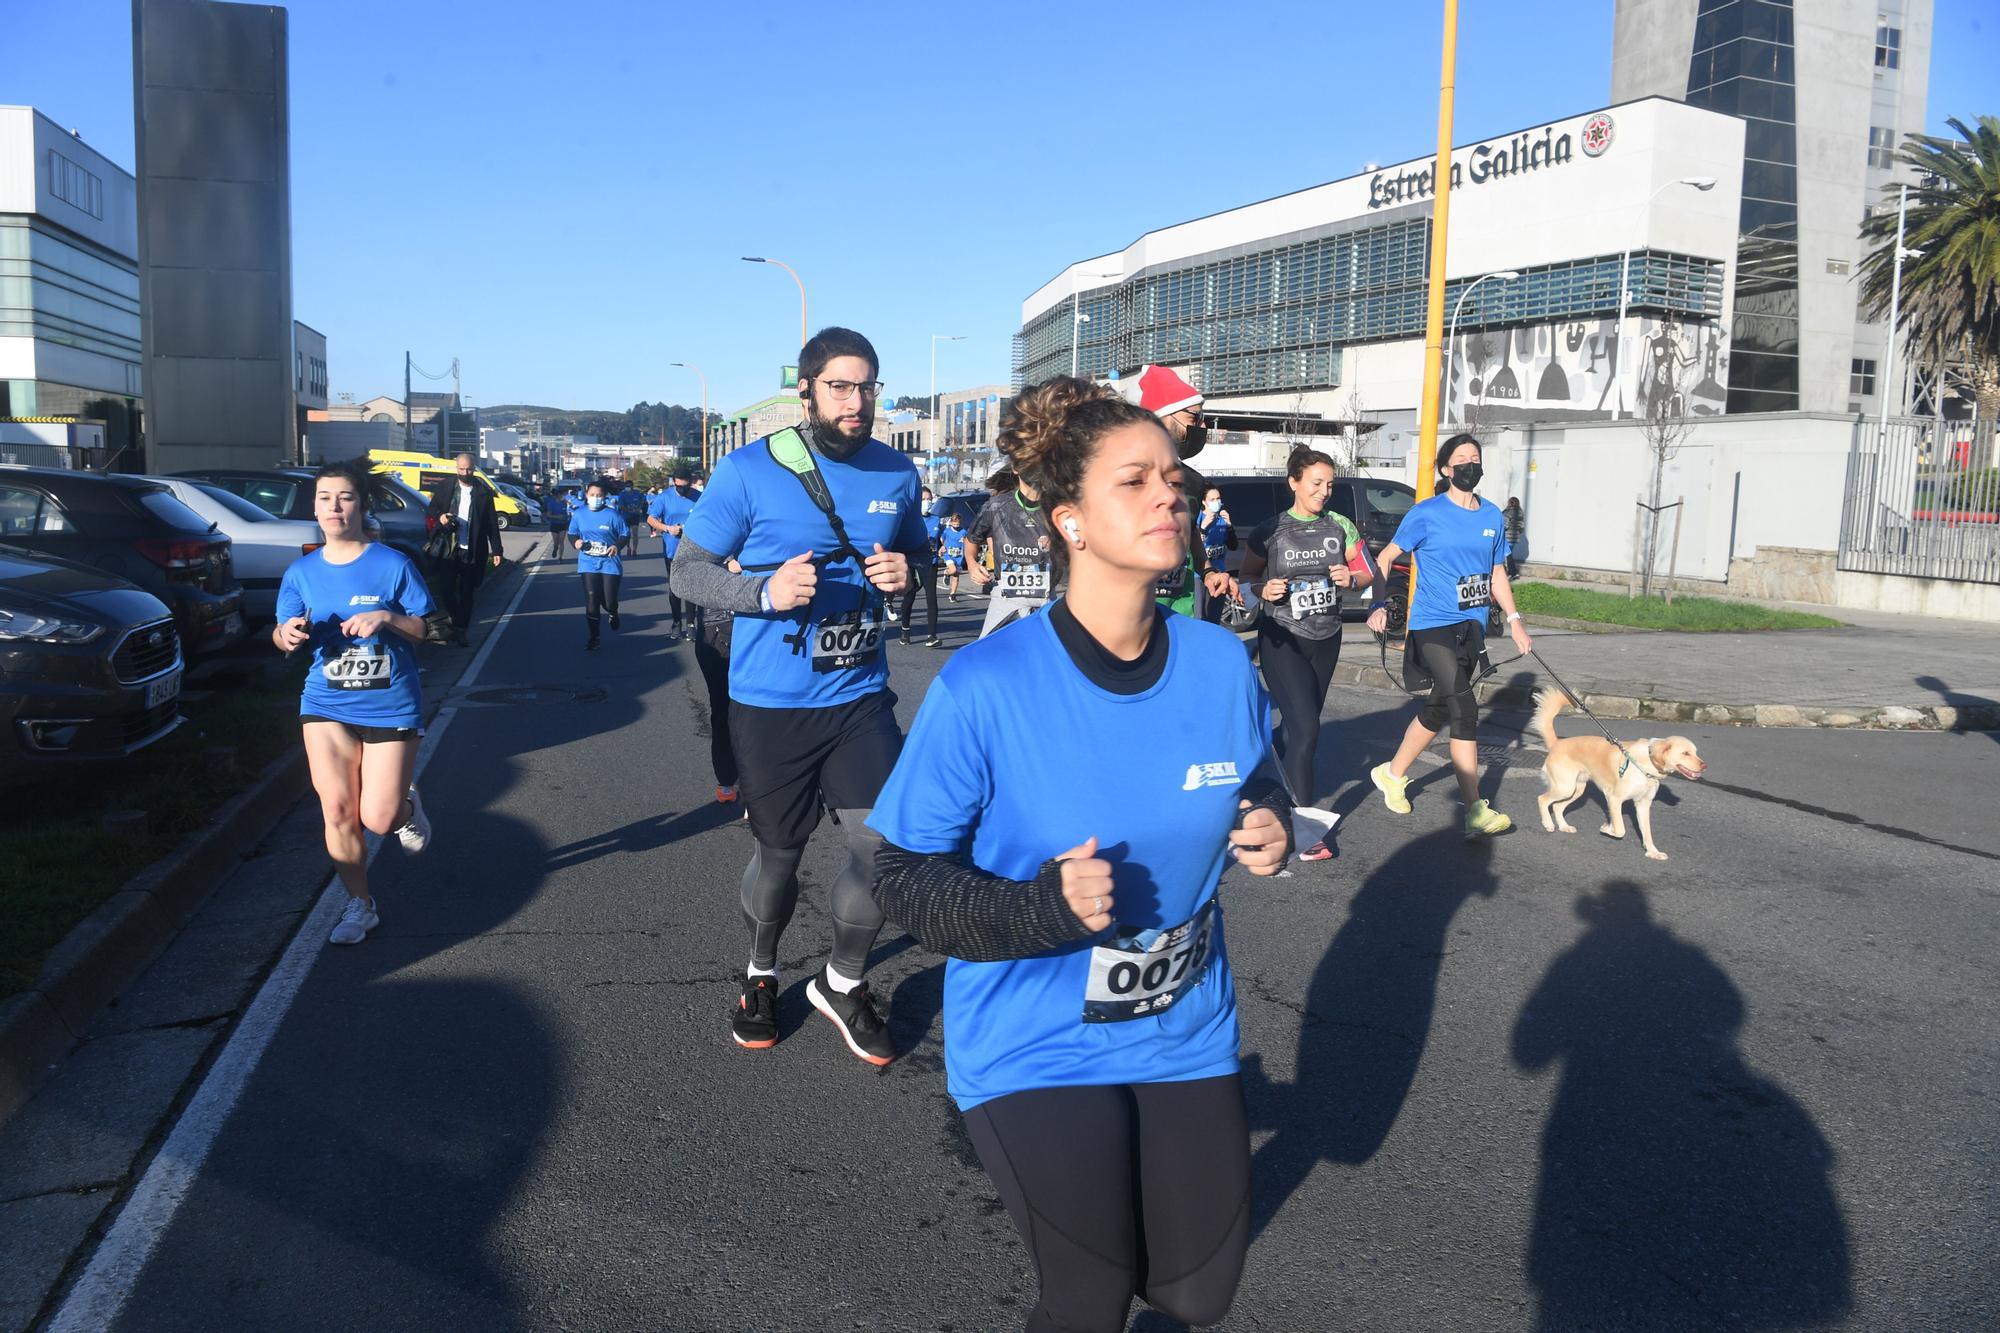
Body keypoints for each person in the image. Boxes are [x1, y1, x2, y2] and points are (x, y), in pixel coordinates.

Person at [870, 376, 1292, 1332]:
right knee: (1091, 1294)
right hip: (1037, 1038)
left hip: (1186, 1023)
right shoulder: (987, 685)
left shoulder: (1222, 662)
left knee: (1196, 1295)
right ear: (1070, 521)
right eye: (1134, 481)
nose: (1168, 496)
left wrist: (1267, 819)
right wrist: (1039, 910)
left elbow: (1247, 773)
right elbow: (898, 877)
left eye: (1173, 479)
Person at [670, 326, 926, 1065]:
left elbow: (915, 550)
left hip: (859, 698)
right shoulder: (751, 470)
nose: (857, 400)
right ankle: (761, 969)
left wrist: (907, 575)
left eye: (867, 385)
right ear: (807, 390)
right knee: (779, 855)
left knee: (886, 847)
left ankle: (843, 983)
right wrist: (761, 590)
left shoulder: (896, 473)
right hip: (770, 703)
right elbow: (688, 572)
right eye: (840, 386)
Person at [273, 460, 436, 946]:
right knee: (338, 811)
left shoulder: (392, 564)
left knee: (378, 819)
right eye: (324, 498)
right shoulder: (301, 571)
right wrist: (287, 635)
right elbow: (280, 635)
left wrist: (386, 617)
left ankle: (406, 808)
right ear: (315, 507)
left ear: (362, 505)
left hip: (389, 704)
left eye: (344, 497)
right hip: (325, 703)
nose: (334, 507)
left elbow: (423, 629)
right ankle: (360, 905)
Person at [1366, 432, 1533, 838]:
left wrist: (1514, 620)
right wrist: (1377, 605)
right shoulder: (1426, 513)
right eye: (1461, 459)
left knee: (1440, 708)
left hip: (1470, 628)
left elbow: (1496, 573)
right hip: (1431, 625)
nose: (1470, 464)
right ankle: (1475, 809)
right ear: (1446, 469)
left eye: (1475, 458)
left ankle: (1392, 773)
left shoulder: (1492, 516)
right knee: (1464, 707)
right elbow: (1386, 557)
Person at [1237, 447, 1376, 858]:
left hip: (1326, 635)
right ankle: (1305, 829)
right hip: (1282, 636)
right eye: (1316, 483)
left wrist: (1351, 578)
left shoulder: (1340, 526)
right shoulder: (1271, 529)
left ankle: (1258, 779)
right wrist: (1263, 589)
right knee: (1307, 730)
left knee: (1298, 728)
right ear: (1294, 482)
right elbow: (1245, 580)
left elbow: (1368, 572)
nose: (1324, 491)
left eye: (1330, 484)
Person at [1120, 364, 1238, 618]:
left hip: (1181, 608)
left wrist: (1208, 572)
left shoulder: (1193, 481)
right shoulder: (1123, 474)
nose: (1201, 426)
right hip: (1132, 608)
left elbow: (1189, 531)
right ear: (1161, 418)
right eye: (1193, 418)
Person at [963, 468, 1054, 638]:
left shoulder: (1058, 506)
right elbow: (971, 539)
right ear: (1016, 468)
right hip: (1006, 596)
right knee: (985, 656)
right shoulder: (996, 506)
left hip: (1047, 598)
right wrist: (972, 564)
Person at [425, 451, 504, 645]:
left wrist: (497, 550)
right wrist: (441, 516)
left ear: (474, 468)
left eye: (469, 469)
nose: (465, 472)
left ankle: (461, 629)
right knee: (446, 590)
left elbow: (491, 523)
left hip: (473, 549)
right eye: (461, 469)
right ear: (456, 468)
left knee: (468, 591)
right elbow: (432, 509)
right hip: (449, 549)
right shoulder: (445, 487)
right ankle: (455, 619)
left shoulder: (483, 492)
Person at [567, 479, 630, 649]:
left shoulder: (613, 515)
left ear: (604, 497)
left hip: (610, 562)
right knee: (592, 598)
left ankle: (613, 612)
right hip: (588, 562)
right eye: (592, 495)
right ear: (586, 495)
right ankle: (594, 637)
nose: (595, 498)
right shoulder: (579, 514)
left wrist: (617, 546)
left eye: (599, 495)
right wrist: (576, 543)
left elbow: (625, 534)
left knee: (609, 602)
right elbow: (572, 533)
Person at [647, 467, 699, 642]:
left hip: (693, 549)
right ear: (674, 483)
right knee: (675, 587)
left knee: (691, 587)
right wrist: (668, 528)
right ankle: (677, 622)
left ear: (690, 484)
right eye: (679, 487)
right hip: (672, 549)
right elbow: (651, 519)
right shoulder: (664, 497)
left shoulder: (698, 496)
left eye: (685, 487)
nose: (682, 491)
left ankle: (691, 623)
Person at [895, 484, 945, 648]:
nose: (927, 502)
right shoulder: (911, 519)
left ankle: (932, 635)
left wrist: (942, 546)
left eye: (929, 499)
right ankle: (905, 630)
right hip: (913, 562)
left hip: (930, 563)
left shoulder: (936, 519)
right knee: (909, 596)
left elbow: (940, 539)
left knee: (932, 598)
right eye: (923, 499)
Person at [1197, 485, 1236, 623]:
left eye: (1218, 498)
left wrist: (1230, 526)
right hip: (1200, 576)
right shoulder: (1199, 518)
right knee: (1200, 617)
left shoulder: (1222, 519)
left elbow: (1233, 546)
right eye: (1212, 499)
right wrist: (1202, 528)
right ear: (1204, 502)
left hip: (1219, 572)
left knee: (1214, 618)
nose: (1216, 502)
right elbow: (1191, 547)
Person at [938, 509, 967, 601]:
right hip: (948, 555)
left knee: (956, 576)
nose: (956, 526)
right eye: (954, 524)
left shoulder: (963, 532)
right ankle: (946, 573)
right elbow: (942, 538)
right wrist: (943, 546)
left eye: (957, 524)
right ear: (951, 523)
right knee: (953, 570)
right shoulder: (947, 531)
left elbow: (966, 542)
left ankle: (952, 594)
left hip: (958, 556)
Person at [1503, 495, 1526, 579]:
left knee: (1506, 555)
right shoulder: (1520, 512)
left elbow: (1504, 525)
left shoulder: (1507, 512)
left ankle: (1511, 573)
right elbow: (1521, 527)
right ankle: (1512, 572)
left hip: (1506, 537)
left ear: (1509, 503)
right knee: (1508, 554)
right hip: (1515, 538)